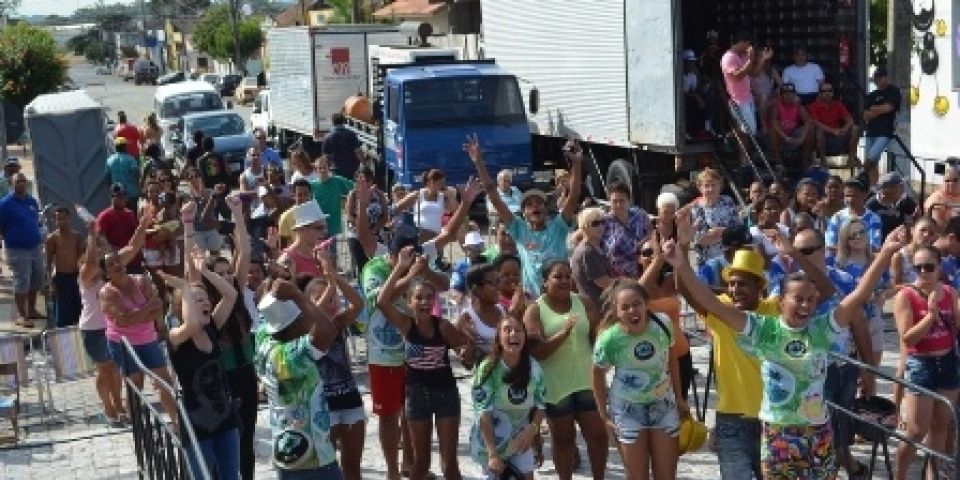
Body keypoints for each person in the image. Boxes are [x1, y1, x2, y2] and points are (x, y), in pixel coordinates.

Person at [667, 224, 904, 479]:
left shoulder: (822, 329)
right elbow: (710, 302)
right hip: (778, 434)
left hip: (818, 434)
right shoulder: (763, 329)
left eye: (811, 300)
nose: (805, 305)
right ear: (781, 302)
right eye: (798, 299)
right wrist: (681, 263)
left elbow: (858, 295)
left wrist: (886, 253)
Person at [361, 181, 478, 480]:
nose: (411, 253)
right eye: (404, 250)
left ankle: (411, 465)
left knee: (413, 423)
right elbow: (380, 300)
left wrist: (463, 203)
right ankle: (392, 472)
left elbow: (448, 236)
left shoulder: (417, 256)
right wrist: (406, 272)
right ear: (394, 248)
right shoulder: (375, 267)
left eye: (413, 249)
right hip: (385, 352)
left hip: (419, 355)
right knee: (390, 417)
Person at [377, 246, 468, 480]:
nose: (425, 302)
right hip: (416, 396)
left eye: (429, 297)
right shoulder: (406, 325)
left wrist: (469, 349)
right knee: (420, 463)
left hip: (446, 393)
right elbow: (382, 301)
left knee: (450, 464)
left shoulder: (444, 326)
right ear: (409, 302)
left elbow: (467, 355)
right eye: (419, 297)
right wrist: (401, 268)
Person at [592, 279, 688, 480]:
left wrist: (679, 397)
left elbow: (672, 360)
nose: (632, 311)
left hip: (664, 406)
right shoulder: (609, 339)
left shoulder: (662, 324)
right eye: (625, 307)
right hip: (627, 411)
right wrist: (604, 415)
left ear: (646, 304)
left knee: (667, 475)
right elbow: (596, 374)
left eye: (636, 304)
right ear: (617, 312)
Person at [522, 261, 607, 480]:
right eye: (558, 277)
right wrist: (564, 332)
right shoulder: (534, 310)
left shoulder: (584, 302)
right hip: (556, 386)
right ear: (545, 281)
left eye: (568, 276)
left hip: (587, 382)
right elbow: (538, 351)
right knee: (563, 441)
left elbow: (598, 339)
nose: (564, 281)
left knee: (598, 437)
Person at [470, 135, 582, 297]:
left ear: (546, 208)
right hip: (532, 299)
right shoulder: (519, 229)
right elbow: (493, 195)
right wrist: (479, 163)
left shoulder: (559, 226)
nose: (535, 206)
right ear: (523, 213)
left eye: (539, 202)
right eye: (529, 204)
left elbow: (574, 196)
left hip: (560, 296)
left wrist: (577, 163)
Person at [161, 253, 240, 480]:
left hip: (225, 419)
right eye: (198, 300)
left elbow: (231, 294)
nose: (206, 302)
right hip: (196, 426)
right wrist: (185, 288)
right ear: (182, 307)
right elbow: (192, 324)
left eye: (206, 299)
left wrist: (205, 272)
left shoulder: (212, 326)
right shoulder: (176, 337)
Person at [254, 278, 342, 479]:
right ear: (293, 326)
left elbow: (266, 314)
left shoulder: (264, 340)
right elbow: (327, 331)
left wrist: (273, 295)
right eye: (303, 316)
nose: (309, 319)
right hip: (310, 460)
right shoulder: (286, 357)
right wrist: (297, 295)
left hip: (289, 453)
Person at [893, 245, 960, 480]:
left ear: (939, 267)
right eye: (917, 267)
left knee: (941, 426)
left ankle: (932, 476)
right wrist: (930, 316)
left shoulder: (950, 293)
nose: (923, 272)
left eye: (928, 267)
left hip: (948, 362)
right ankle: (900, 475)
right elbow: (908, 338)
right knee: (916, 431)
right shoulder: (906, 295)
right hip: (921, 364)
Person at [78, 213, 148, 426]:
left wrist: (143, 222)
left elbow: (134, 246)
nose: (102, 248)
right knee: (104, 369)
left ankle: (119, 407)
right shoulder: (86, 273)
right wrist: (91, 235)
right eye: (98, 246)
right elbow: (91, 262)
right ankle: (109, 408)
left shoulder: (113, 267)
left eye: (103, 245)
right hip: (93, 328)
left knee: (116, 369)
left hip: (114, 326)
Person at [302, 252, 365, 480]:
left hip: (349, 398)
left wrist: (334, 276)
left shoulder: (339, 322)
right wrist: (328, 285)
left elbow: (358, 303)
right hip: (322, 405)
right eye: (321, 299)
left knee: (352, 467)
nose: (329, 304)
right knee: (326, 469)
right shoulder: (303, 330)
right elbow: (313, 321)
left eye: (332, 299)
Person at [469, 316, 546, 480]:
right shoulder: (488, 369)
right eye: (507, 330)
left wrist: (533, 430)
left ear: (525, 336)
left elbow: (540, 404)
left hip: (521, 436)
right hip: (491, 440)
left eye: (518, 330)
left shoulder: (534, 368)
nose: (513, 334)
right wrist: (492, 454)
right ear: (498, 338)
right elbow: (483, 413)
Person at [0, 173, 45, 328]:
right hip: (17, 250)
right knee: (22, 282)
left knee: (37, 279)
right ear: (12, 184)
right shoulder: (4, 204)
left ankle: (32, 310)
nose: (21, 184)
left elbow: (37, 222)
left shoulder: (32, 201)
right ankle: (21, 315)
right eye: (17, 182)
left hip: (35, 247)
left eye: (23, 181)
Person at [722, 29, 772, 138]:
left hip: (748, 98)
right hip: (738, 100)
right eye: (748, 44)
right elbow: (737, 76)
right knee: (751, 129)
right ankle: (727, 136)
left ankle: (738, 147)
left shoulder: (743, 56)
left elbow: (754, 73)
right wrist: (750, 60)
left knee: (749, 130)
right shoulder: (729, 57)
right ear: (742, 42)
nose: (749, 47)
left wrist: (763, 59)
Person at [457, 263, 508, 369]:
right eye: (491, 283)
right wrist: (471, 342)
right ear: (475, 289)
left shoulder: (504, 310)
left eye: (498, 281)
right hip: (487, 379)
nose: (498, 287)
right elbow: (467, 364)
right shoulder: (467, 318)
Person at [690, 168, 741, 268]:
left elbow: (738, 230)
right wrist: (727, 233)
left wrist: (718, 232)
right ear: (700, 188)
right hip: (707, 260)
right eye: (706, 186)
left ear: (720, 186)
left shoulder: (728, 201)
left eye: (714, 185)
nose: (710, 189)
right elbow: (700, 240)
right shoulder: (696, 207)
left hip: (731, 256)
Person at [601, 181, 652, 278]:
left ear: (629, 200)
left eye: (622, 200)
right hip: (617, 274)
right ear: (609, 202)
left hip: (642, 268)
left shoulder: (640, 215)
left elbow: (651, 234)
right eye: (615, 201)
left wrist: (640, 246)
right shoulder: (604, 221)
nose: (619, 205)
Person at [344, 167, 388, 277]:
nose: (365, 183)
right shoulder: (353, 194)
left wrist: (373, 230)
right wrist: (362, 229)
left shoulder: (379, 194)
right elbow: (349, 215)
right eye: (361, 180)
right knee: (362, 265)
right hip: (355, 234)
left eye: (367, 180)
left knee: (377, 263)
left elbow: (384, 216)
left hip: (375, 233)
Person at [393, 169, 457, 243]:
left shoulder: (443, 198)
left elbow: (457, 212)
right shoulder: (418, 194)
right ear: (429, 183)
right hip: (419, 232)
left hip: (435, 235)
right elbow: (397, 207)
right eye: (439, 183)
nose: (442, 186)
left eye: (443, 183)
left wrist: (451, 196)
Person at [863, 67, 902, 187]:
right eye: (875, 78)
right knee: (873, 163)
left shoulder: (893, 91)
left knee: (871, 158)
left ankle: (860, 175)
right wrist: (880, 110)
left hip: (885, 132)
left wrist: (875, 109)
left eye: (880, 78)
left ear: (885, 77)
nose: (877, 80)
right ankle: (873, 187)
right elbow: (866, 115)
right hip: (871, 131)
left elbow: (889, 108)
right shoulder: (871, 95)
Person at [45, 206, 83, 327]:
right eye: (58, 219)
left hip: (76, 278)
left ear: (69, 218)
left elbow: (81, 258)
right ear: (54, 220)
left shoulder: (76, 236)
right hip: (61, 279)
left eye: (64, 218)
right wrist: (51, 283)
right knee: (62, 316)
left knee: (79, 311)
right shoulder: (52, 238)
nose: (61, 222)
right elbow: (48, 261)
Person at [570, 207, 614, 309]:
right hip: (596, 309)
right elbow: (605, 283)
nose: (600, 226)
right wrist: (629, 282)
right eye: (595, 223)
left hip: (603, 305)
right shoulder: (587, 252)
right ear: (584, 227)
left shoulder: (597, 247)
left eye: (602, 222)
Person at [825, 179, 883, 255]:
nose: (850, 200)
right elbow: (830, 245)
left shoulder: (873, 219)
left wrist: (844, 248)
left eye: (854, 196)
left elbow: (874, 246)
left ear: (864, 195)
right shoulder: (837, 217)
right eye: (847, 196)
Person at [808, 81, 859, 165]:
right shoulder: (814, 106)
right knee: (818, 132)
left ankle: (851, 159)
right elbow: (815, 122)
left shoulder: (838, 104)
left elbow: (850, 120)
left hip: (838, 134)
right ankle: (823, 162)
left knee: (855, 128)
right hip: (823, 136)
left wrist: (844, 129)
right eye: (823, 91)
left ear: (833, 92)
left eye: (829, 90)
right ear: (820, 93)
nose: (827, 93)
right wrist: (832, 131)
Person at [97, 183, 145, 274]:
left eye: (123, 196)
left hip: (135, 260)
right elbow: (100, 239)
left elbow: (135, 233)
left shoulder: (130, 214)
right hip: (118, 262)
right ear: (111, 197)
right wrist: (116, 251)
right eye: (118, 196)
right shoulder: (104, 216)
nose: (122, 199)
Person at [309, 156, 354, 245]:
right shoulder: (312, 186)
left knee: (332, 255)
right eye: (319, 168)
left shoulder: (337, 181)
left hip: (333, 227)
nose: (322, 170)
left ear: (329, 168)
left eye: (324, 167)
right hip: (318, 227)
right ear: (316, 169)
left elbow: (354, 189)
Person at [768, 83, 814, 166]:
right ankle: (779, 162)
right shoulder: (776, 106)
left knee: (810, 131)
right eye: (785, 94)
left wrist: (802, 138)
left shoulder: (798, 106)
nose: (788, 96)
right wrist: (785, 137)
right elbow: (774, 122)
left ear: (794, 95)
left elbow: (808, 121)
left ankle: (806, 162)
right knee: (773, 131)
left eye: (791, 93)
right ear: (781, 95)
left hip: (794, 134)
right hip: (781, 136)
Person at [867, 172, 919, 239]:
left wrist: (914, 219)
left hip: (899, 240)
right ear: (887, 190)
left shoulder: (905, 200)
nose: (903, 188)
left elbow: (916, 218)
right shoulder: (871, 204)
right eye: (899, 186)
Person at [322, 113, 364, 179]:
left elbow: (326, 157)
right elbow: (358, 151)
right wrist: (364, 164)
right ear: (343, 121)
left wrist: (326, 170)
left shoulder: (327, 137)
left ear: (333, 122)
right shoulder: (351, 134)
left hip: (335, 170)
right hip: (351, 168)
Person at [278, 180, 317, 248]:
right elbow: (283, 246)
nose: (303, 198)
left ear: (310, 195)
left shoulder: (317, 214)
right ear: (293, 196)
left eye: (306, 194)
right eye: (299, 195)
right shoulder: (285, 217)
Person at [106, 137, 141, 209]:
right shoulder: (130, 159)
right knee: (132, 215)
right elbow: (136, 173)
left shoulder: (109, 160)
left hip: (117, 195)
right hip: (131, 193)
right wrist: (138, 187)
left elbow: (108, 178)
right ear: (125, 147)